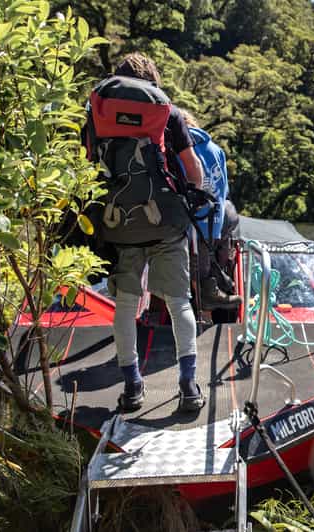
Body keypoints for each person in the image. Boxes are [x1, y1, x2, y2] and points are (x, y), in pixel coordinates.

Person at [93, 53, 206, 413]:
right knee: (178, 303)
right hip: (165, 224)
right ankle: (188, 386)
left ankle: (132, 388)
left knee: (125, 307)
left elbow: (87, 165)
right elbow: (193, 169)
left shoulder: (97, 113)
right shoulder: (167, 113)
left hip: (119, 223)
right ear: (153, 80)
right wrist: (190, 201)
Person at [177, 109, 241, 310]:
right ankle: (214, 285)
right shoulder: (215, 149)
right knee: (224, 222)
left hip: (187, 225)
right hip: (215, 222)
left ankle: (201, 292)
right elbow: (224, 190)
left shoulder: (174, 148)